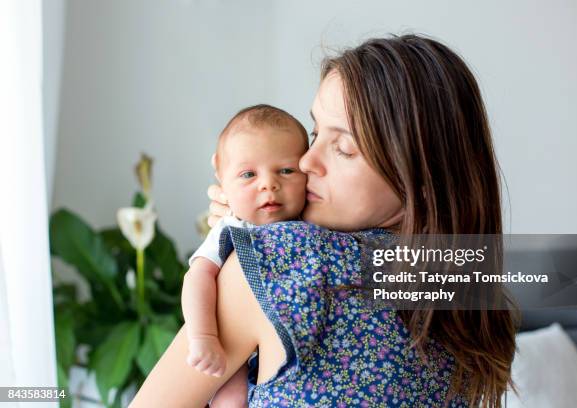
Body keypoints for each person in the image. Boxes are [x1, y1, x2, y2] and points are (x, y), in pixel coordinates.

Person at [131, 34, 517, 408]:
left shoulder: (286, 258)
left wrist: (248, 235)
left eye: (344, 148)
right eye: (315, 133)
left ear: (420, 178)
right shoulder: (474, 283)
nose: (305, 161)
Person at [182, 104, 309, 406]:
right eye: (248, 174)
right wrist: (203, 337)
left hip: (283, 352)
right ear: (220, 174)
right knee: (230, 398)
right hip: (231, 344)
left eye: (287, 170)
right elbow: (197, 276)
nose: (268, 184)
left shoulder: (311, 224)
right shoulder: (231, 228)